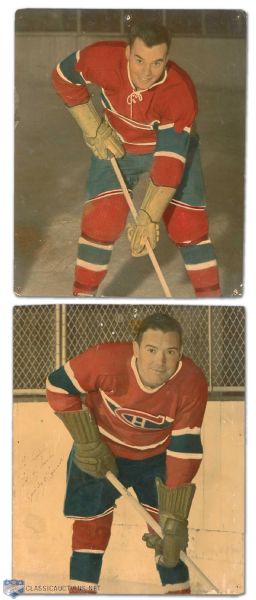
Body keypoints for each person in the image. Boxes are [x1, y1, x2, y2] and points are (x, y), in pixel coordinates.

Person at [52, 20, 221, 298]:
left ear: (167, 59)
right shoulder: (103, 58)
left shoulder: (179, 91)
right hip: (118, 145)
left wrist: (148, 217)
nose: (146, 73)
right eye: (140, 60)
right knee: (100, 222)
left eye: (157, 63)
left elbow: (168, 165)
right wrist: (93, 126)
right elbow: (63, 76)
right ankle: (81, 301)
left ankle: (212, 303)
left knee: (188, 227)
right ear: (128, 52)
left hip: (170, 150)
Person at [46, 312, 208, 594]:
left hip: (155, 458)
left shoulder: (192, 381)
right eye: (151, 350)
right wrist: (87, 442)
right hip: (99, 450)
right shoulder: (106, 359)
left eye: (170, 352)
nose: (160, 361)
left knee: (169, 539)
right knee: (91, 529)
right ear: (135, 348)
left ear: (181, 353)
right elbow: (57, 385)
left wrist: (174, 518)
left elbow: (185, 447)